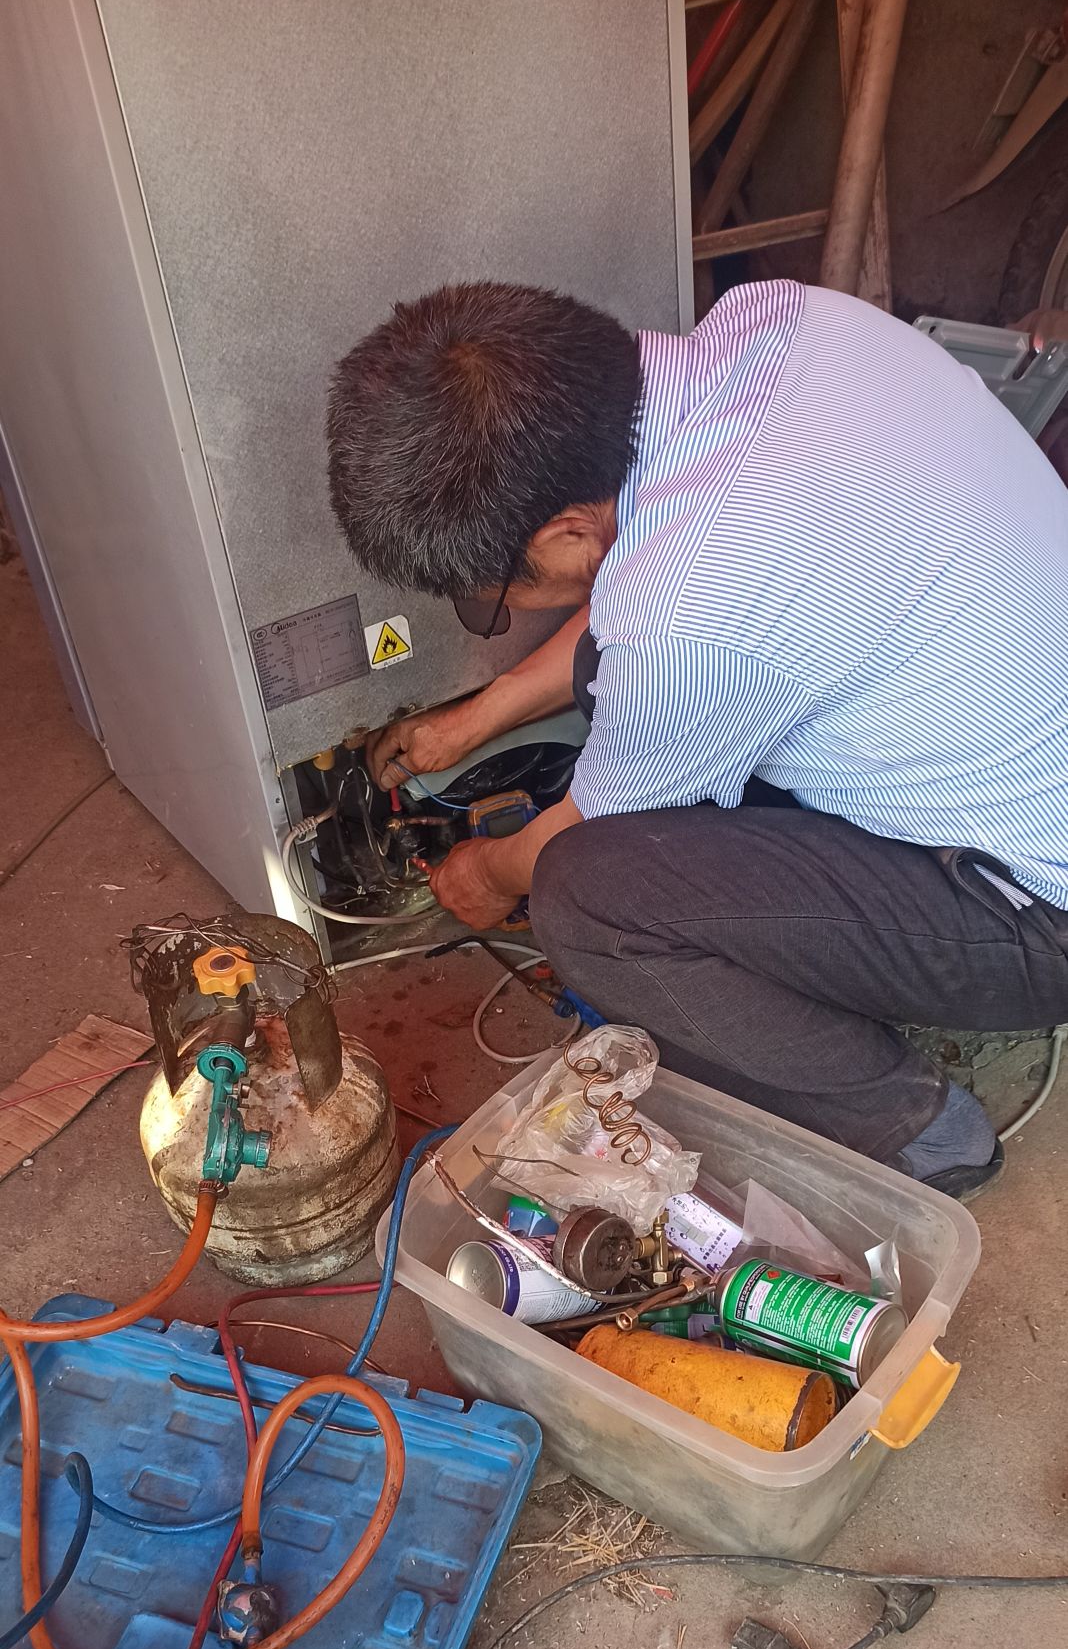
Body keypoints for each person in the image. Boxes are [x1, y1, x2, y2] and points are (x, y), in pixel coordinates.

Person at [327, 279, 1068, 1194]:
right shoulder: (782, 321)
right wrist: (476, 715)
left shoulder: (687, 607)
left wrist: (484, 874)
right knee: (615, 679)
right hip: (1006, 724)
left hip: (1037, 914)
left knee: (589, 900)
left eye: (494, 598)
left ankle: (914, 1130)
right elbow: (644, 581)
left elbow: (596, 797)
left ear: (565, 529)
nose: (499, 612)